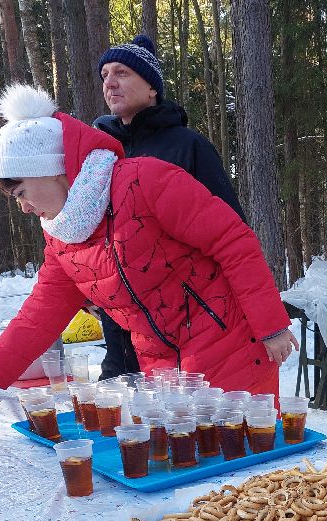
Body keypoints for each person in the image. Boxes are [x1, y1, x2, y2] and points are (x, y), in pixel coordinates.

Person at [0, 84, 296, 400]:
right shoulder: (63, 235)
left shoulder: (144, 180)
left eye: (21, 192)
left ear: (49, 169)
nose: (23, 208)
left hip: (232, 350)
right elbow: (41, 313)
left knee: (244, 448)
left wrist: (271, 326)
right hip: (163, 372)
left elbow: (234, 242)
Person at [93, 35, 245, 380]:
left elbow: (232, 232)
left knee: (181, 409)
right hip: (120, 326)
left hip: (183, 321)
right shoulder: (99, 153)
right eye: (105, 75)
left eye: (122, 73)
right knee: (117, 406)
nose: (110, 83)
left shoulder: (189, 147)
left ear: (152, 88)